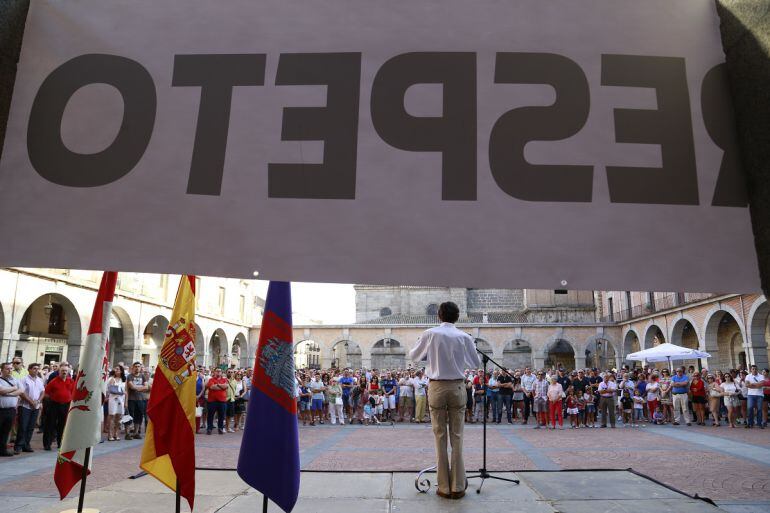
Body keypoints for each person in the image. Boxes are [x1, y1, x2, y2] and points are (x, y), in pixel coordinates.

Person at [409, 301, 480, 500]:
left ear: (439, 316)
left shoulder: (430, 333)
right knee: (457, 436)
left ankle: (444, 487)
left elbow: (414, 356)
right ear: (457, 317)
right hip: (458, 386)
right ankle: (458, 487)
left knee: (439, 436)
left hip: (437, 386)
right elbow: (475, 363)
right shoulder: (464, 336)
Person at [43, 362, 74, 450]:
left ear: (68, 372)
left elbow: (73, 392)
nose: (64, 372)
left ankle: (60, 443)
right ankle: (47, 444)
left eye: (65, 371)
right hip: (54, 405)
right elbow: (46, 393)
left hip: (65, 405)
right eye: (62, 371)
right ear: (59, 371)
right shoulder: (54, 381)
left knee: (62, 425)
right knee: (50, 424)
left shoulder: (70, 381)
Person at [14, 362, 44, 453]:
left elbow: (43, 391)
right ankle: (18, 446)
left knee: (31, 427)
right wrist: (31, 402)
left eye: (37, 369)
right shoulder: (24, 379)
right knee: (23, 426)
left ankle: (26, 445)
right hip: (25, 406)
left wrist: (38, 401)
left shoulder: (39, 380)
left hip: (36, 406)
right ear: (29, 369)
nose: (36, 370)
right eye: (34, 368)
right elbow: (22, 393)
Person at [0, 362, 22, 457]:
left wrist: (10, 393)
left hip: (11, 410)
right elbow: (1, 390)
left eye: (11, 369)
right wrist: (14, 388)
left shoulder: (15, 380)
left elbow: (21, 390)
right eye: (7, 369)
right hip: (1, 410)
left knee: (6, 431)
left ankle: (2, 450)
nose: (10, 370)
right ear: (2, 370)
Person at [126, 362, 149, 440]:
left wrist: (137, 388)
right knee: (129, 417)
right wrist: (141, 387)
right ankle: (127, 433)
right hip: (131, 399)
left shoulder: (143, 376)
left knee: (139, 416)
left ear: (140, 368)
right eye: (135, 366)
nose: (137, 368)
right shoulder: (129, 376)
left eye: (138, 366)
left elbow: (147, 387)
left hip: (141, 400)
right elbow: (132, 387)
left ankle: (136, 433)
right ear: (133, 367)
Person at [106, 366, 126, 441]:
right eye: (115, 369)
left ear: (121, 371)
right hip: (113, 399)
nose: (116, 370)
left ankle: (116, 433)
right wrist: (121, 391)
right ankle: (110, 434)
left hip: (121, 400)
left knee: (119, 417)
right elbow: (110, 390)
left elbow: (126, 391)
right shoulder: (111, 379)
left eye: (118, 369)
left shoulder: (123, 380)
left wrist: (125, 401)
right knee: (112, 416)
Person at [206, 368, 228, 434]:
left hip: (222, 401)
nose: (218, 372)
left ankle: (220, 428)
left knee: (221, 415)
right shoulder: (211, 379)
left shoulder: (225, 379)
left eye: (219, 371)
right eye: (217, 371)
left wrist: (217, 384)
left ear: (221, 372)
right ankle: (209, 428)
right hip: (212, 401)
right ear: (214, 372)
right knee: (210, 415)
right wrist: (221, 386)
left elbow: (226, 386)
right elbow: (212, 387)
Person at [744, 364, 764, 429]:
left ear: (757, 369)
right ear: (751, 370)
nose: (754, 370)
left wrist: (752, 384)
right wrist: (756, 385)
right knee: (750, 408)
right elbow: (746, 385)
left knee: (759, 409)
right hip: (750, 395)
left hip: (759, 395)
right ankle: (750, 423)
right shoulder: (748, 376)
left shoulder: (761, 376)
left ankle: (759, 423)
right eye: (753, 369)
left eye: (755, 369)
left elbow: (761, 385)